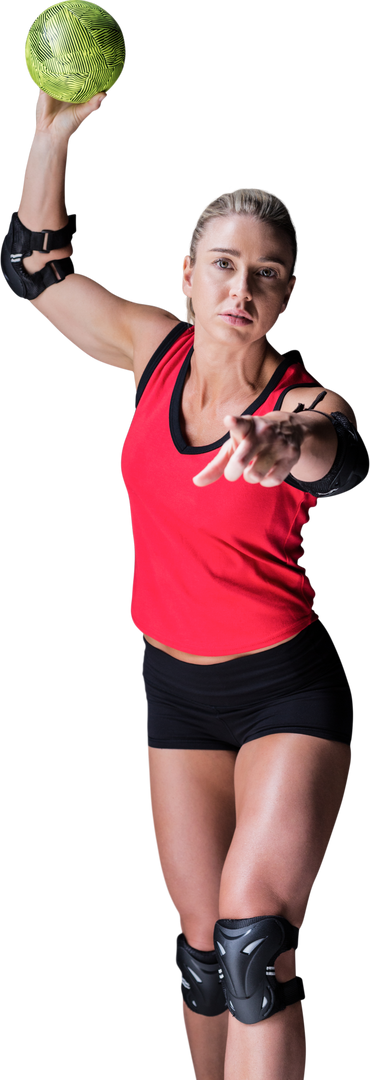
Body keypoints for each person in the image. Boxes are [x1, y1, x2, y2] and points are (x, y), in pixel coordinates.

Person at [1, 89, 369, 1080]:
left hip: (285, 690)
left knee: (257, 946)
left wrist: (282, 442)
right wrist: (52, 137)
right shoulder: (147, 348)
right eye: (222, 265)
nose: (239, 286)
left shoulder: (303, 399)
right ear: (188, 277)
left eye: (265, 274)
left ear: (286, 297)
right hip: (174, 691)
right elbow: (32, 271)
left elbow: (338, 460)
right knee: (203, 956)